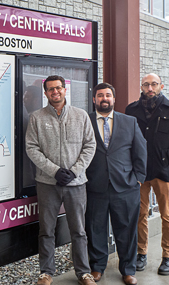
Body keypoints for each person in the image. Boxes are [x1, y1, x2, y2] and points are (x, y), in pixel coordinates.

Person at [25, 75, 96, 285]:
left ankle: (83, 272)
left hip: (76, 184)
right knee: (46, 230)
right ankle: (46, 273)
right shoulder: (36, 117)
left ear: (65, 90)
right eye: (50, 89)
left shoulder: (81, 116)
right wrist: (54, 171)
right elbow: (31, 148)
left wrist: (75, 171)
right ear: (46, 93)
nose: (55, 92)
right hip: (48, 184)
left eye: (58, 88)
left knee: (79, 230)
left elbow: (90, 146)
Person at [85, 83, 147, 285]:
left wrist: (138, 178)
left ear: (114, 99)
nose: (104, 98)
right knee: (95, 230)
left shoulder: (129, 122)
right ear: (94, 99)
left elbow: (140, 151)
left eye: (108, 95)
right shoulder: (85, 121)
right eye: (100, 95)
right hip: (95, 186)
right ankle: (97, 267)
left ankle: (128, 270)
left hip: (126, 187)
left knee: (127, 230)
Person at [126, 73, 169, 275]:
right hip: (139, 172)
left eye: (153, 84)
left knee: (167, 216)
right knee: (139, 215)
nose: (149, 88)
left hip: (164, 171)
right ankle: (141, 254)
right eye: (146, 84)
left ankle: (167, 257)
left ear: (161, 85)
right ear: (141, 87)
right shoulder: (131, 110)